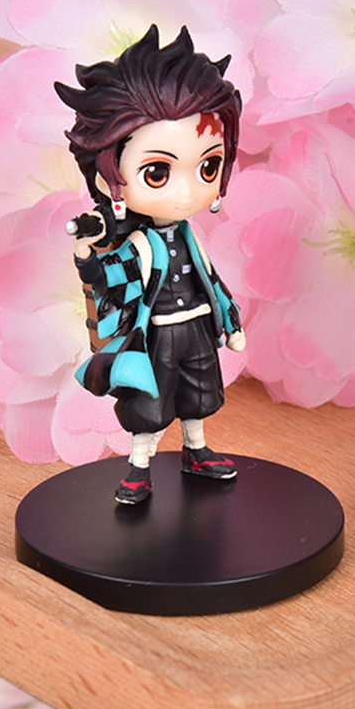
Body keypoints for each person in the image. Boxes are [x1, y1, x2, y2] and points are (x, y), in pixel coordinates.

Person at [55, 25, 245, 503]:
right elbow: (107, 279)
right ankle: (139, 467)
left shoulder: (189, 236)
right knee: (150, 402)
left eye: (207, 167)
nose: (187, 191)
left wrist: (231, 321)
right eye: (158, 172)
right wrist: (86, 254)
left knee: (199, 393)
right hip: (155, 332)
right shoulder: (137, 244)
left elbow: (212, 281)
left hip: (197, 326)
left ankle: (196, 450)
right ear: (110, 172)